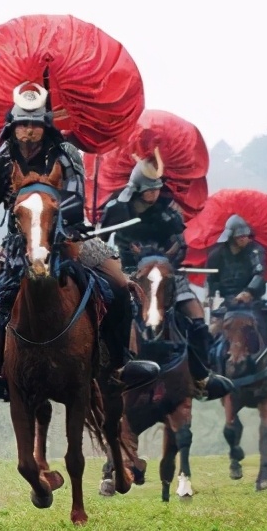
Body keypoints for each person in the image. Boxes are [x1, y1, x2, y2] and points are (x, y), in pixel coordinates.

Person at [0, 83, 160, 401]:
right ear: (13, 125)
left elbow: (74, 200)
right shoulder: (3, 156)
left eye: (35, 125)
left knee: (121, 287)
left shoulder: (66, 154)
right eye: (23, 125)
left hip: (71, 235)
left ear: (45, 126)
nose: (28, 132)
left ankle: (119, 366)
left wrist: (49, 218)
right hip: (17, 241)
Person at [100, 152, 234, 398]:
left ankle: (202, 375)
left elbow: (181, 244)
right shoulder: (117, 208)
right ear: (138, 189)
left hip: (167, 272)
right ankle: (109, 368)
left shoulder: (168, 211)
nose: (154, 195)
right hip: (128, 272)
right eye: (150, 190)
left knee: (195, 315)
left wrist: (172, 254)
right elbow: (100, 239)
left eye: (157, 190)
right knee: (106, 312)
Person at [205, 215, 267, 390]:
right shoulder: (217, 255)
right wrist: (210, 299)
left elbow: (259, 274)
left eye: (246, 235)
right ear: (231, 237)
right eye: (240, 236)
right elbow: (211, 280)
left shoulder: (255, 251)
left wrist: (248, 291)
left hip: (254, 304)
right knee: (207, 335)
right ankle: (206, 375)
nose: (244, 238)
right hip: (227, 306)